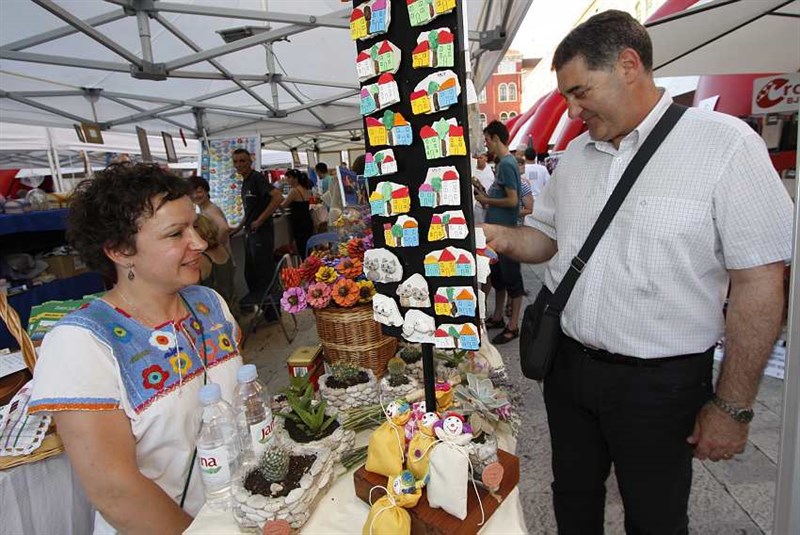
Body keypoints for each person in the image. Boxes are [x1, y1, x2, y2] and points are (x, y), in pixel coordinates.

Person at [483, 10, 793, 534]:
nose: (572, 109)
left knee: (655, 517)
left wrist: (733, 405)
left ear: (629, 65)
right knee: (573, 499)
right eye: (565, 97)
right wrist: (500, 238)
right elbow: (550, 239)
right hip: (569, 368)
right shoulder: (578, 155)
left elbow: (760, 283)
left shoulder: (725, 144)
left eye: (580, 92)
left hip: (661, 387)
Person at [28, 163, 244, 534]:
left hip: (237, 514)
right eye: (176, 233)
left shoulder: (208, 303)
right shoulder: (80, 342)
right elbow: (114, 489)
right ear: (120, 250)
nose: (200, 243)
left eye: (193, 225)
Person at [475, 120, 524, 346]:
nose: (486, 145)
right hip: (498, 233)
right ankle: (497, 316)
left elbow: (513, 200)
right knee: (498, 278)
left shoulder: (506, 163)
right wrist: (485, 195)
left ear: (496, 138)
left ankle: (513, 325)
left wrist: (485, 199)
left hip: (506, 235)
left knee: (512, 279)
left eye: (487, 140)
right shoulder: (503, 164)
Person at [232, 148, 282, 309]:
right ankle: (266, 311)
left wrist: (260, 220)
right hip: (251, 233)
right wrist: (238, 227)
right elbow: (249, 211)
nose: (239, 164)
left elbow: (277, 197)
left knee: (264, 274)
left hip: (262, 234)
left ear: (250, 162)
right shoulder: (245, 182)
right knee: (251, 274)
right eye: (236, 161)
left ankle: (272, 313)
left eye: (242, 161)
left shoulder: (256, 178)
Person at [195, 214, 237, 316]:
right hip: (232, 307)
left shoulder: (202, 259)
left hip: (215, 315)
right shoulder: (222, 248)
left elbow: (194, 293)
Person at [189, 176, 231, 248]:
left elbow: (224, 228)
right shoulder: (204, 209)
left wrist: (217, 246)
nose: (195, 196)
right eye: (191, 193)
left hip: (219, 256)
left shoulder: (211, 209)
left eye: (199, 192)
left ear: (207, 191)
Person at [281, 169, 314, 259]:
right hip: (307, 220)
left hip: (299, 223)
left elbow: (283, 205)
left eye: (288, 177)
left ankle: (305, 268)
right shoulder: (305, 189)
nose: (287, 180)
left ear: (295, 179)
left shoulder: (294, 191)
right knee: (307, 248)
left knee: (301, 249)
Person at [472, 152, 495, 224]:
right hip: (479, 202)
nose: (478, 160)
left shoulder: (491, 169)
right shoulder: (473, 171)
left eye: (480, 158)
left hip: (492, 201)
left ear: (486, 158)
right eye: (477, 158)